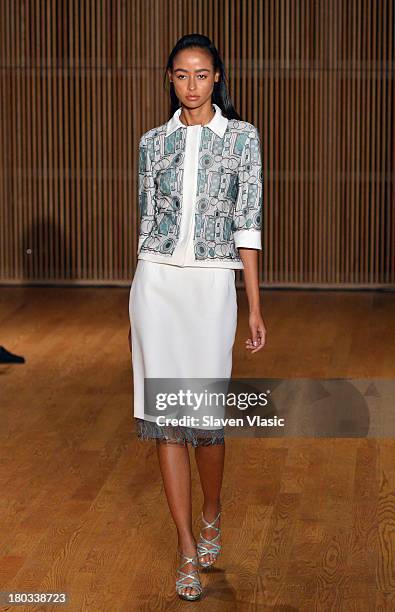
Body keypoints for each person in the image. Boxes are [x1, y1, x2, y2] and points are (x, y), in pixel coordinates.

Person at [129, 33, 267, 601]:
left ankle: (212, 509)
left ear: (218, 78)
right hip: (156, 285)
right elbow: (147, 221)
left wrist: (253, 304)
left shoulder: (241, 139)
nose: (192, 84)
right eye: (182, 75)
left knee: (206, 422)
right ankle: (186, 544)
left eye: (202, 75)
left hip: (212, 286)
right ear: (169, 77)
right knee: (167, 422)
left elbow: (249, 221)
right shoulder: (151, 144)